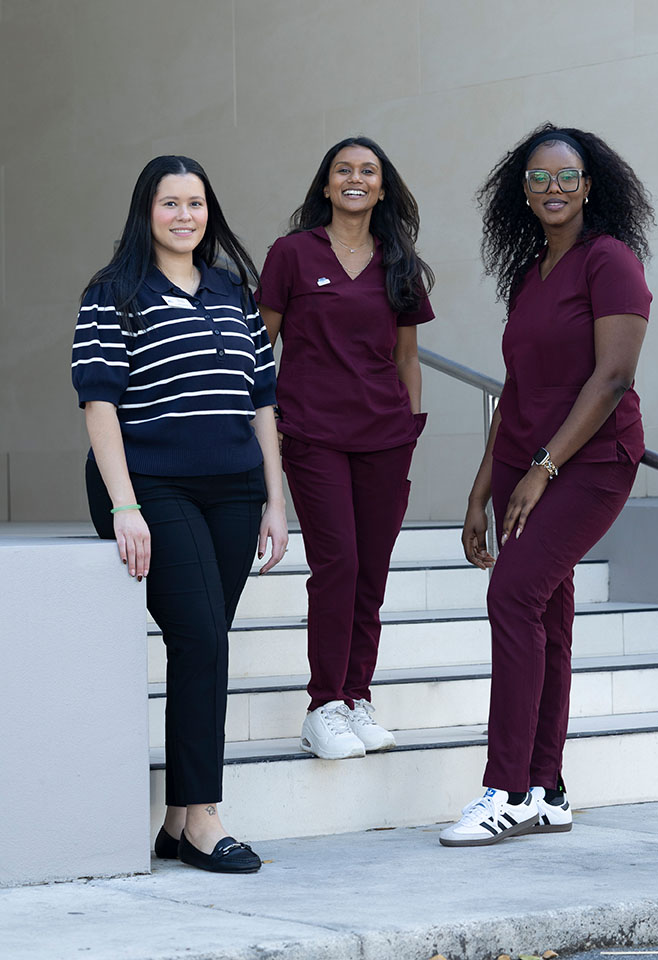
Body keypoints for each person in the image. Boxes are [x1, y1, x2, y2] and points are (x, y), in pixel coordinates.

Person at [439, 124, 654, 847]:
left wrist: (543, 468)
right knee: (548, 616)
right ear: (521, 192)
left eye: (567, 177)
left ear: (591, 186)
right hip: (525, 462)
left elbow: (612, 377)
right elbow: (519, 388)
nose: (553, 189)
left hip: (589, 464)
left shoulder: (610, 262)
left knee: (513, 595)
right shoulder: (530, 272)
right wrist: (480, 488)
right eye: (538, 178)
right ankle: (547, 788)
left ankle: (504, 787)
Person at [71, 156, 288, 873]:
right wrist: (125, 504)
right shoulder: (113, 293)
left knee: (203, 644)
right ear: (147, 211)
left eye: (196, 203)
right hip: (152, 487)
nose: (185, 215)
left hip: (233, 488)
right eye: (171, 203)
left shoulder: (231, 291)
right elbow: (99, 403)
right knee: (202, 639)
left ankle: (175, 820)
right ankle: (206, 820)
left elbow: (262, 401)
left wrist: (274, 499)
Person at [256, 137, 434, 760]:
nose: (355, 179)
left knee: (373, 571)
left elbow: (407, 358)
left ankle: (358, 696)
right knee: (338, 563)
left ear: (382, 188)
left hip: (385, 438)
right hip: (312, 435)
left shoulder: (399, 263)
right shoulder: (292, 255)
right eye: (343, 170)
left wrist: (409, 429)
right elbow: (263, 349)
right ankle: (323, 704)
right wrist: (269, 426)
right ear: (326, 185)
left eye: (368, 171)